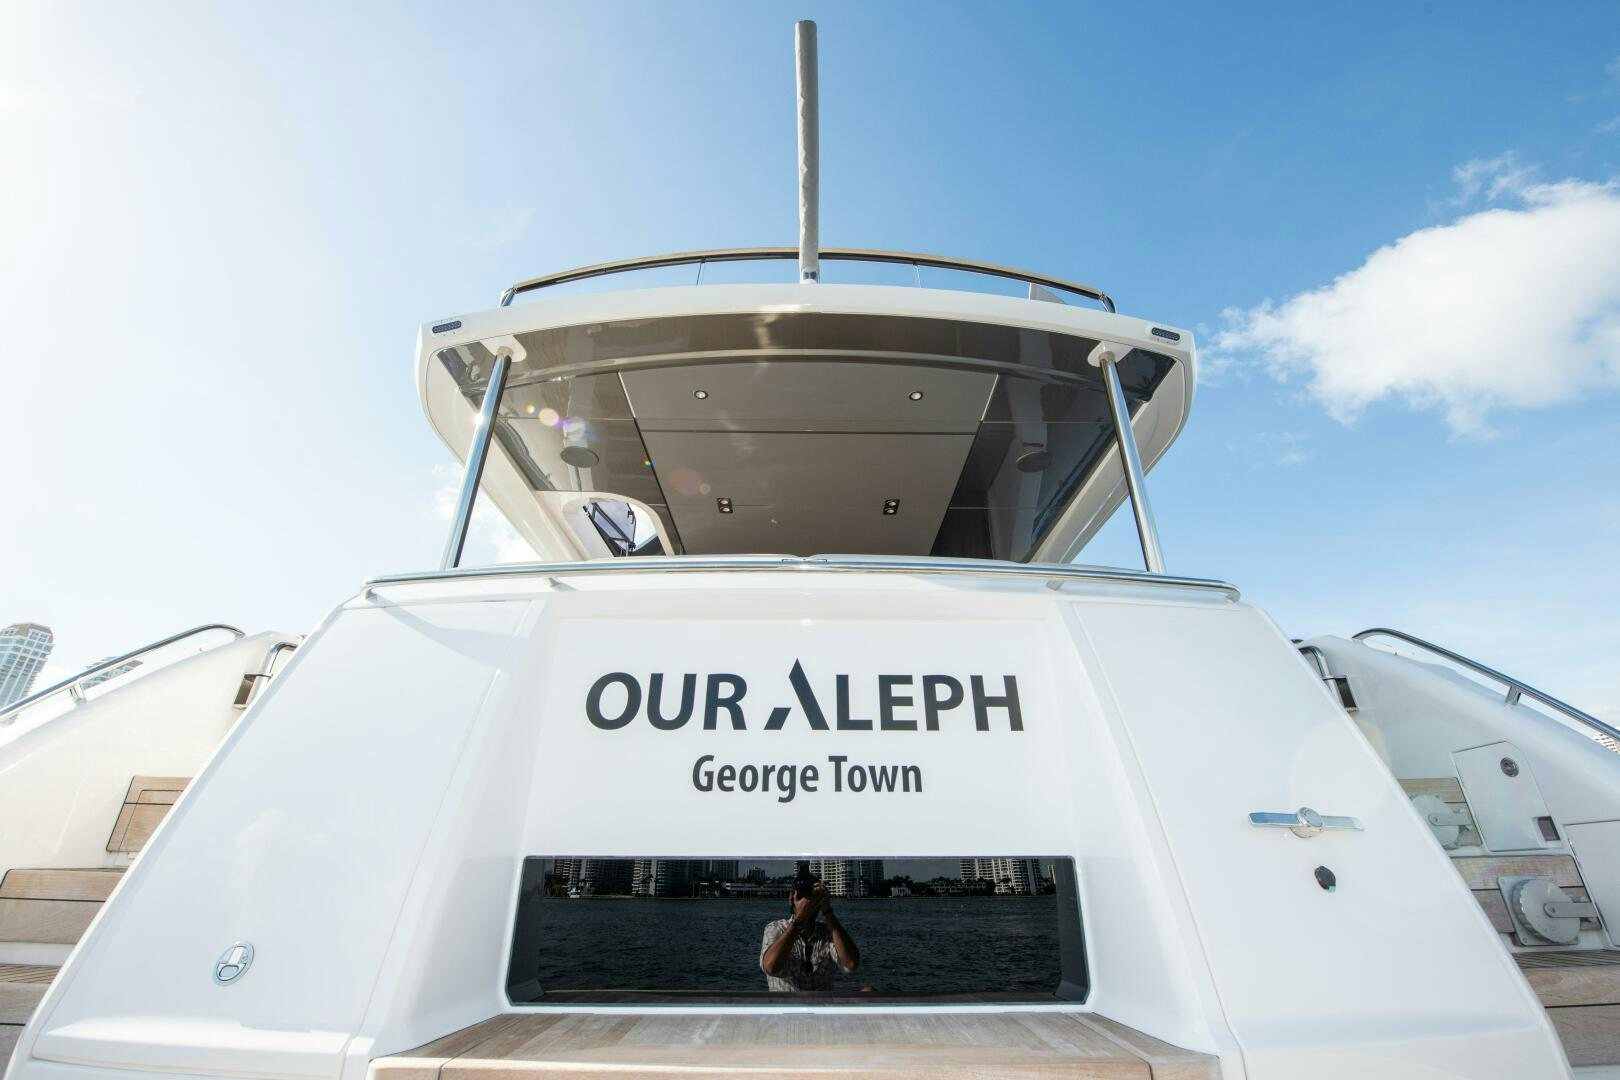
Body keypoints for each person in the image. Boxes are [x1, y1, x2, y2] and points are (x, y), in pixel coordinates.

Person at [759, 875, 860, 991]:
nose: (809, 901)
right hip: (786, 1007)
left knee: (868, 991)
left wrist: (827, 911)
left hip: (821, 1007)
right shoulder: (775, 928)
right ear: (792, 898)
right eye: (804, 895)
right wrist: (799, 920)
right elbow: (770, 967)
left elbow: (851, 964)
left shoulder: (828, 932)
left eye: (813, 896)